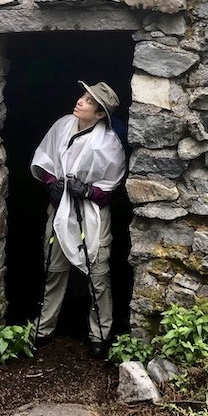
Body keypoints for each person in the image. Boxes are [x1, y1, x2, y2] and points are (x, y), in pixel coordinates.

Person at [30, 81, 126, 358]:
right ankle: (44, 328)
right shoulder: (62, 126)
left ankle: (100, 334)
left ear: (99, 114)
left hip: (91, 214)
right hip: (60, 208)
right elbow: (45, 158)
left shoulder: (108, 143)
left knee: (97, 274)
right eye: (82, 96)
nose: (80, 101)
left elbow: (111, 186)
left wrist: (87, 191)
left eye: (88, 101)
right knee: (54, 269)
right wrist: (50, 183)